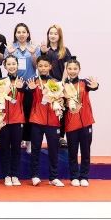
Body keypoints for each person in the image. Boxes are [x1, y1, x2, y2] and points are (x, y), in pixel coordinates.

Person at [27, 55, 64, 187]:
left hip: (53, 121)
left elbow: (62, 100)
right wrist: (29, 91)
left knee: (54, 150)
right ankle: (35, 176)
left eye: (45, 66)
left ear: (50, 67)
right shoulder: (33, 82)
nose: (43, 68)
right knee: (35, 149)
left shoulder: (56, 82)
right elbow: (26, 99)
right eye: (40, 66)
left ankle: (53, 177)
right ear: (37, 67)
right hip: (37, 120)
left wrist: (61, 100)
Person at [62, 58, 99, 187]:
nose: (72, 71)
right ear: (66, 70)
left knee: (85, 151)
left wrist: (96, 86)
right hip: (71, 123)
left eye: (75, 69)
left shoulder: (84, 83)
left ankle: (84, 176)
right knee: (72, 152)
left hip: (86, 122)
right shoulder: (62, 86)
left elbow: (94, 87)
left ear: (79, 70)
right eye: (70, 69)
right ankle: (74, 176)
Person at [0, 55, 27, 186]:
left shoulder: (23, 81)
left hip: (18, 119)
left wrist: (23, 89)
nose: (11, 66)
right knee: (4, 148)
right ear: (5, 66)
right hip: (3, 120)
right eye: (8, 64)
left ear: (17, 65)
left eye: (13, 64)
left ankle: (15, 175)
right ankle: (6, 175)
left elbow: (28, 102)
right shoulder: (0, 82)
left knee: (16, 148)